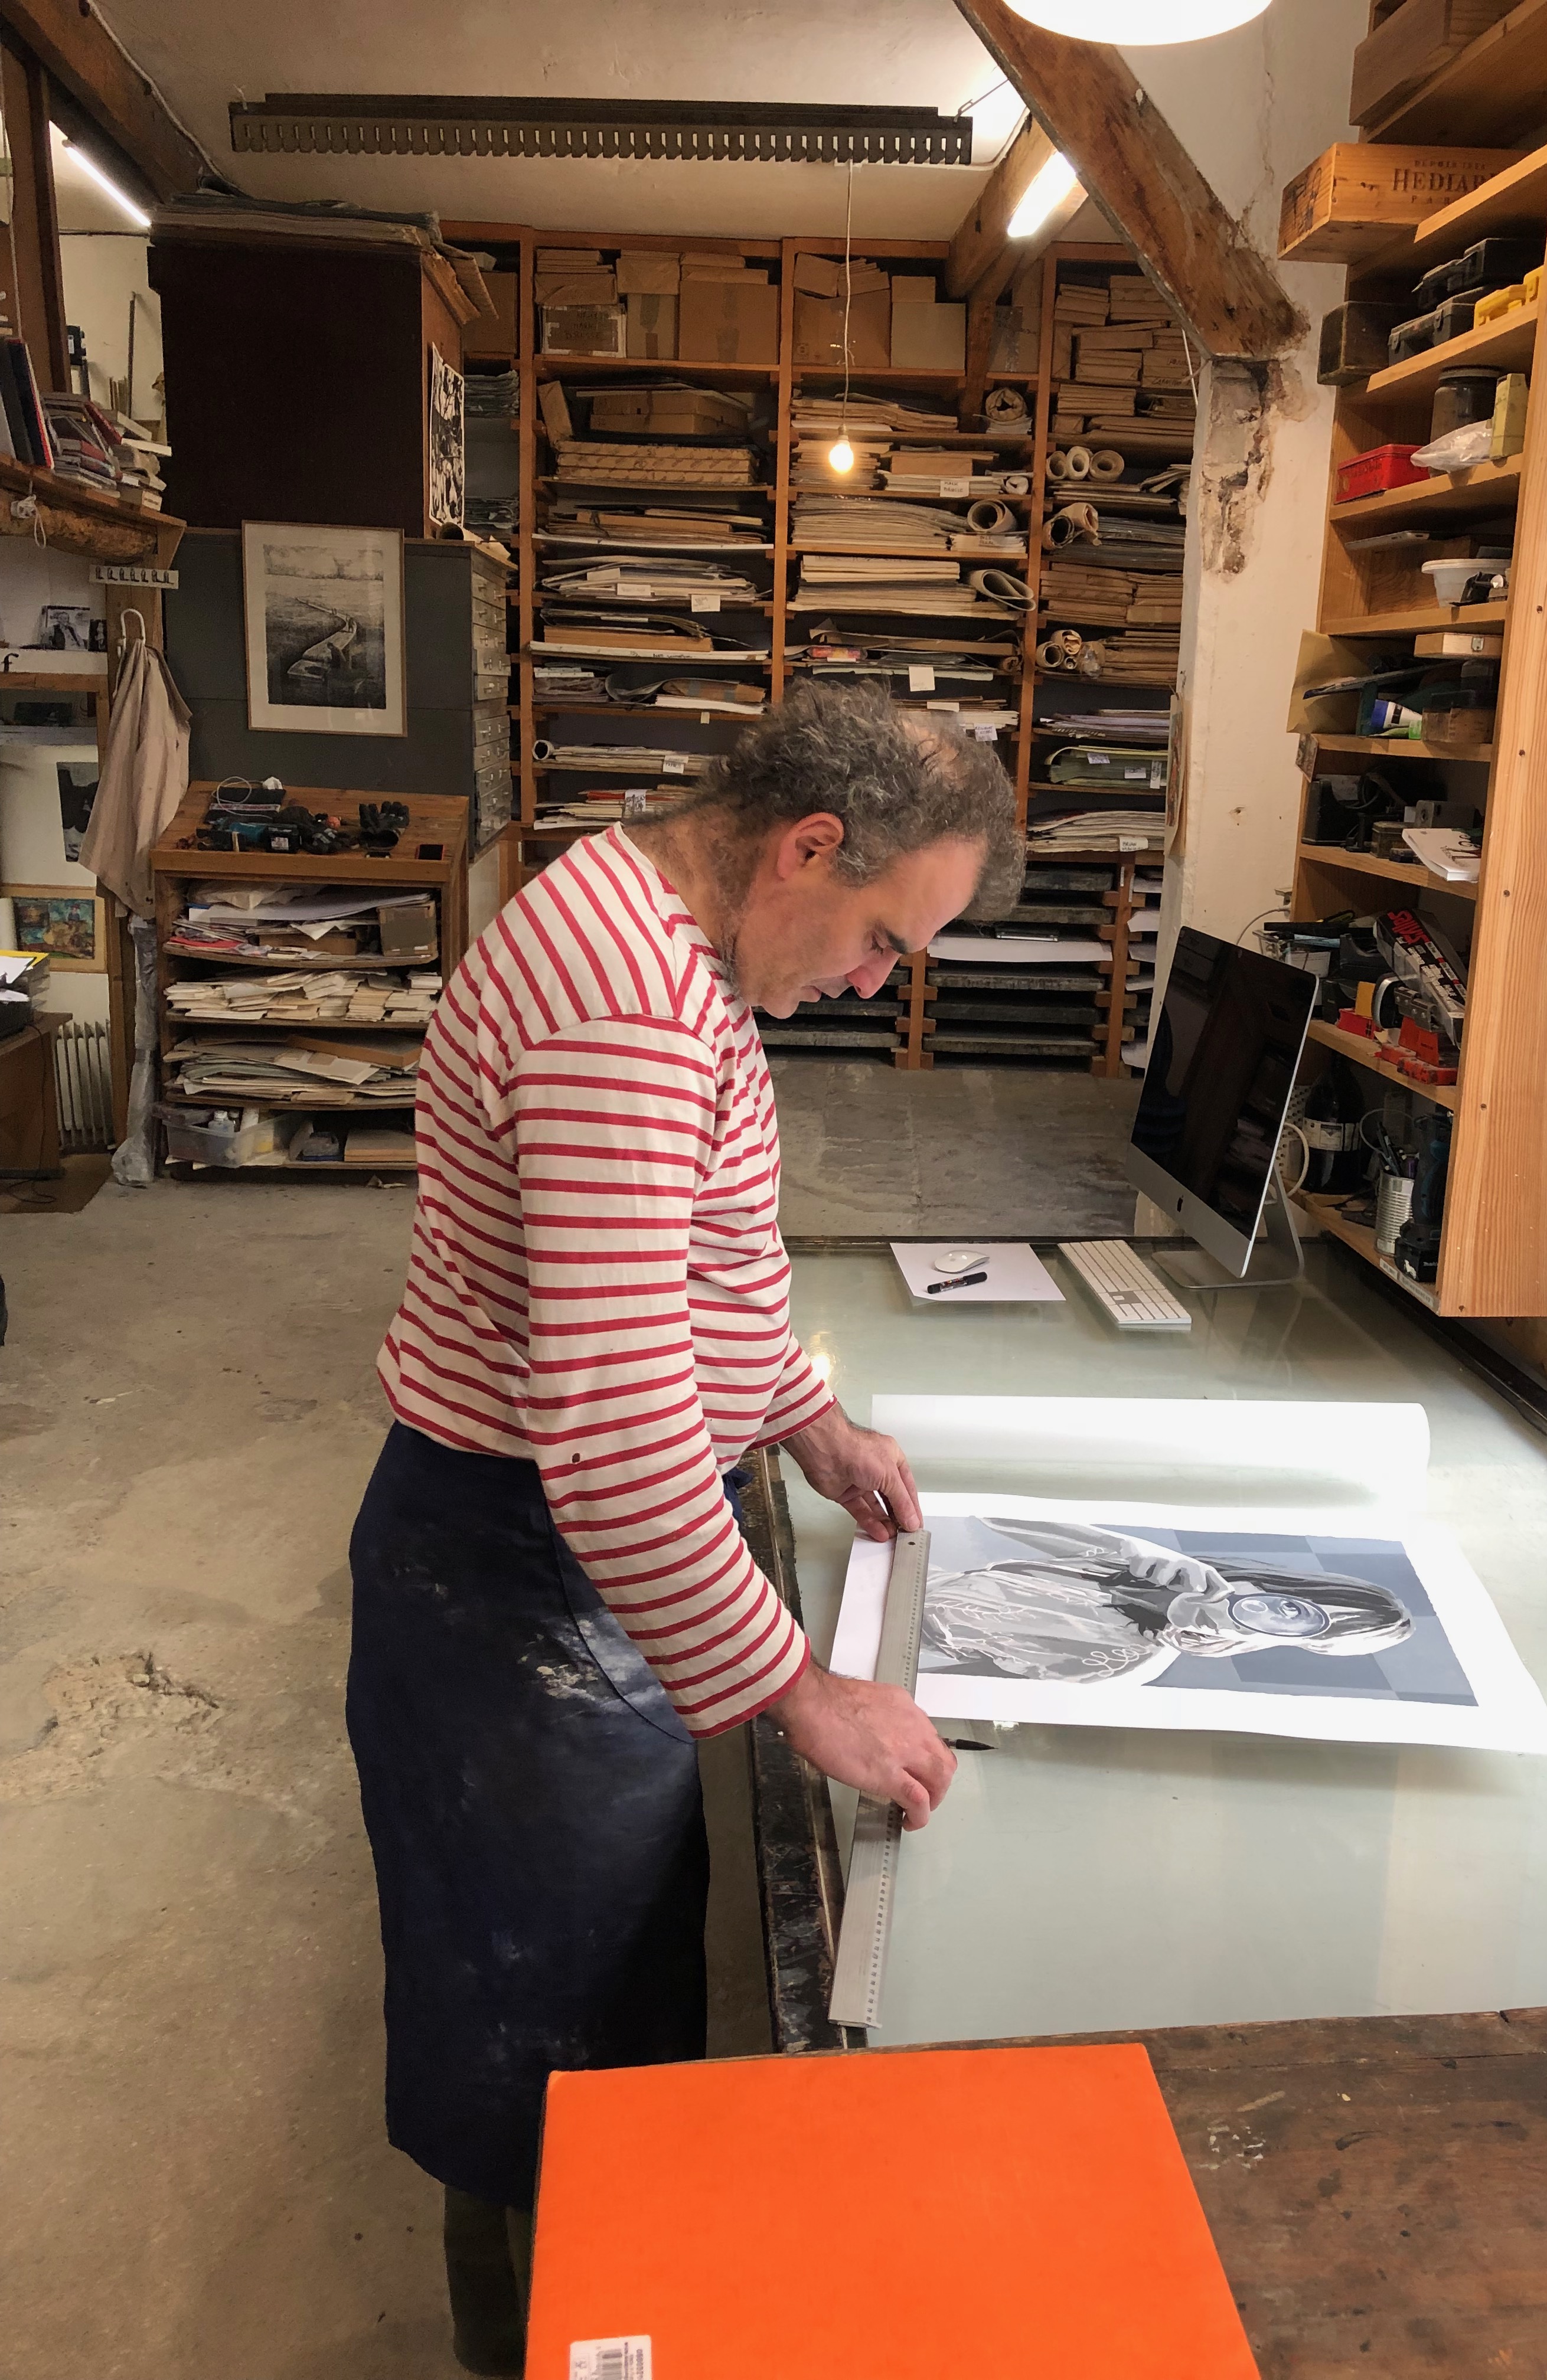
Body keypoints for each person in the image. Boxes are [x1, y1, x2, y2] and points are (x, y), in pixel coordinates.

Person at [346, 684, 1024, 2375]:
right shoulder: (623, 1010)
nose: (872, 982)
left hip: (559, 1562)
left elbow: (701, 1264)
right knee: (550, 2044)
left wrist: (804, 1415)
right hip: (520, 1576)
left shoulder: (664, 933)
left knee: (606, 2000)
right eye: (881, 937)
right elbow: (615, 1430)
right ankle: (529, 2343)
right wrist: (805, 1690)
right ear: (808, 846)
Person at [919, 1515, 1415, 1684]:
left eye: (1308, 1632)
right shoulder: (1142, 1566)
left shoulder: (1127, 1664)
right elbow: (989, 1517)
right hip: (907, 1573)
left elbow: (952, 1683)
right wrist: (1123, 1545)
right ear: (1290, 1589)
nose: (1278, 1619)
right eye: (1297, 1607)